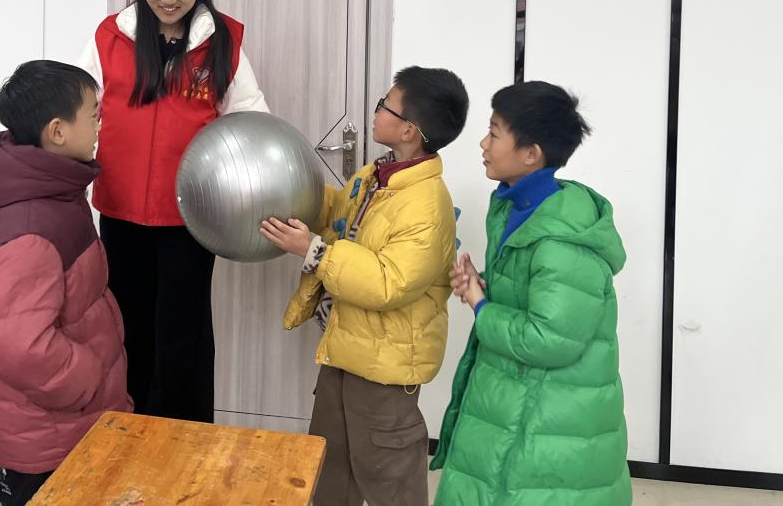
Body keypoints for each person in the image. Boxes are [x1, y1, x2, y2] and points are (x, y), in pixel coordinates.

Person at [80, 0, 267, 422]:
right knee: (126, 325)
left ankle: (184, 438)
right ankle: (127, 426)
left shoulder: (222, 41)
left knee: (183, 332)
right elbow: (81, 113)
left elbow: (250, 122)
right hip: (119, 208)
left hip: (192, 217)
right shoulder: (110, 36)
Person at [261, 66, 469, 506]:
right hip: (346, 347)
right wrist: (295, 189)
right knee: (329, 464)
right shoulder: (376, 176)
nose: (375, 112)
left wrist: (314, 251)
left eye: (384, 105)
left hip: (386, 367)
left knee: (387, 473)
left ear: (409, 130)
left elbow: (387, 283)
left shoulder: (427, 205)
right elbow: (339, 213)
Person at [432, 81, 631, 506]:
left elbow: (550, 338)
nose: (483, 144)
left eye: (494, 133)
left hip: (550, 419)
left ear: (531, 154)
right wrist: (484, 284)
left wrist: (480, 303)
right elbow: (532, 293)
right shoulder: (517, 208)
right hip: (517, 400)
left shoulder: (562, 242)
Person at [0, 60, 130, 506]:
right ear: (57, 132)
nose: (100, 125)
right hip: (48, 425)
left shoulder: (51, 192)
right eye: (93, 115)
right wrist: (88, 377)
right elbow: (17, 345)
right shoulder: (32, 227)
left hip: (49, 418)